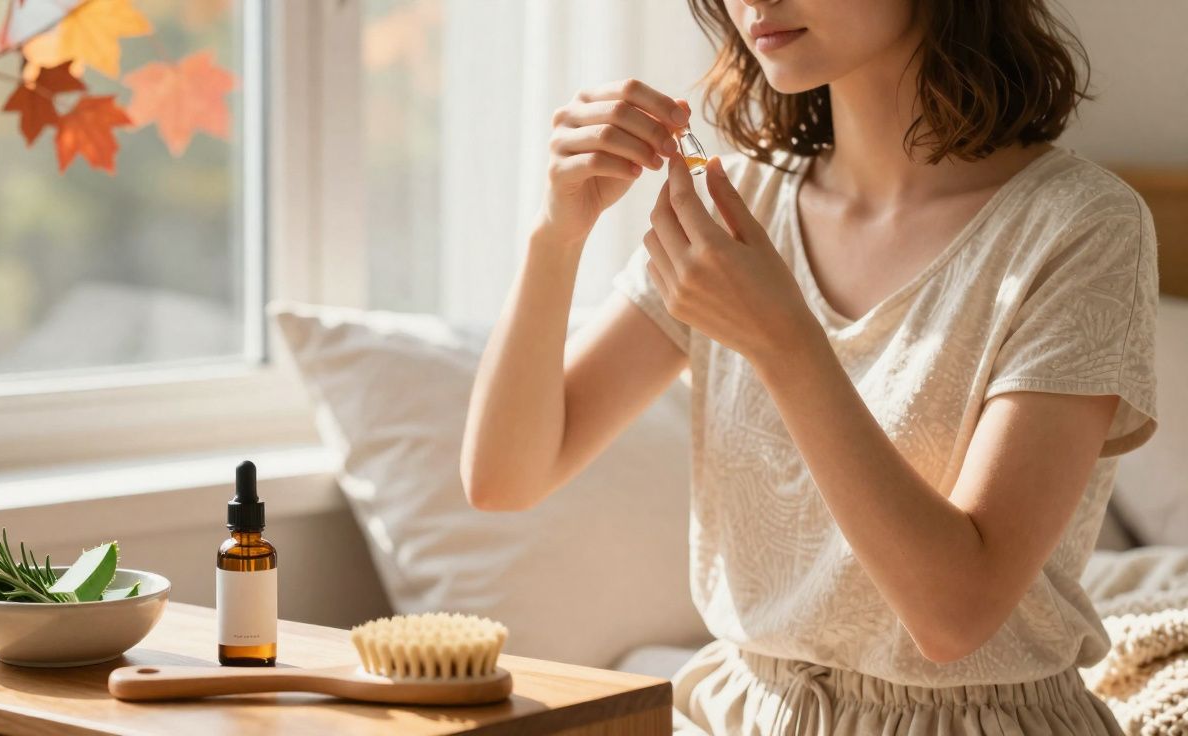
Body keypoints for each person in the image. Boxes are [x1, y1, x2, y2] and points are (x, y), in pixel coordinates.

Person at [459, 0, 1159, 732]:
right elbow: (506, 477)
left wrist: (783, 341)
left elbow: (956, 616)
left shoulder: (1082, 227)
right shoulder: (742, 206)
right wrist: (556, 233)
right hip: (739, 714)